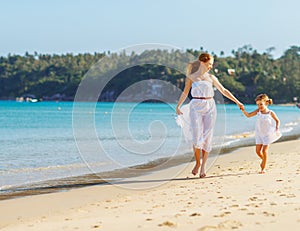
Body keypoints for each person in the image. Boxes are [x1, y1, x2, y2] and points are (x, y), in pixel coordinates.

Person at [176, 53, 244, 178]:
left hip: (210, 106)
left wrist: (237, 102)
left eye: (212, 65)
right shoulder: (191, 77)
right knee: (196, 138)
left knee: (207, 137)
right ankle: (197, 162)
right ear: (202, 62)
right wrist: (178, 106)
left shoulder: (211, 78)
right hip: (195, 106)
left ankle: (203, 167)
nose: (210, 67)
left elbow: (224, 91)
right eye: (209, 64)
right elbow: (185, 92)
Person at [241, 93, 281, 173]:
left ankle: (263, 168)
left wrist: (277, 127)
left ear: (266, 103)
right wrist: (243, 110)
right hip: (259, 134)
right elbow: (248, 115)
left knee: (264, 151)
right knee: (257, 151)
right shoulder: (258, 111)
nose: (259, 106)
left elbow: (277, 120)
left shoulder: (270, 113)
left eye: (261, 104)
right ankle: (264, 159)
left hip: (268, 134)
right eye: (258, 105)